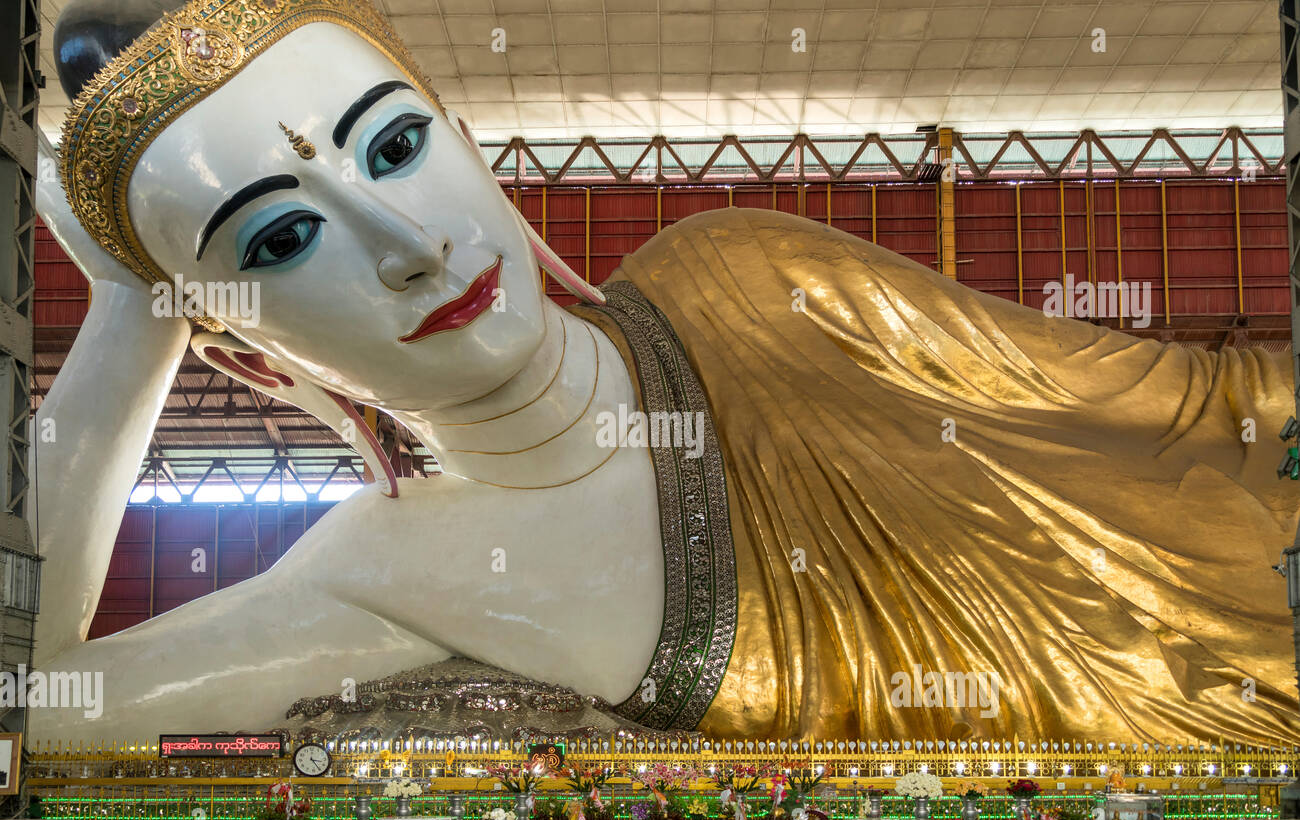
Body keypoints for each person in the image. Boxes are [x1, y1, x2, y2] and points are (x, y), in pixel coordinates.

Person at [32, 0, 1300, 746]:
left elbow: (1174, 408)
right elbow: (29, 703)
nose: (411, 246)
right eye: (284, 237)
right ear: (250, 344)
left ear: (469, 146)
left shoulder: (750, 277)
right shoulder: (377, 572)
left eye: (404, 144)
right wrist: (132, 315)